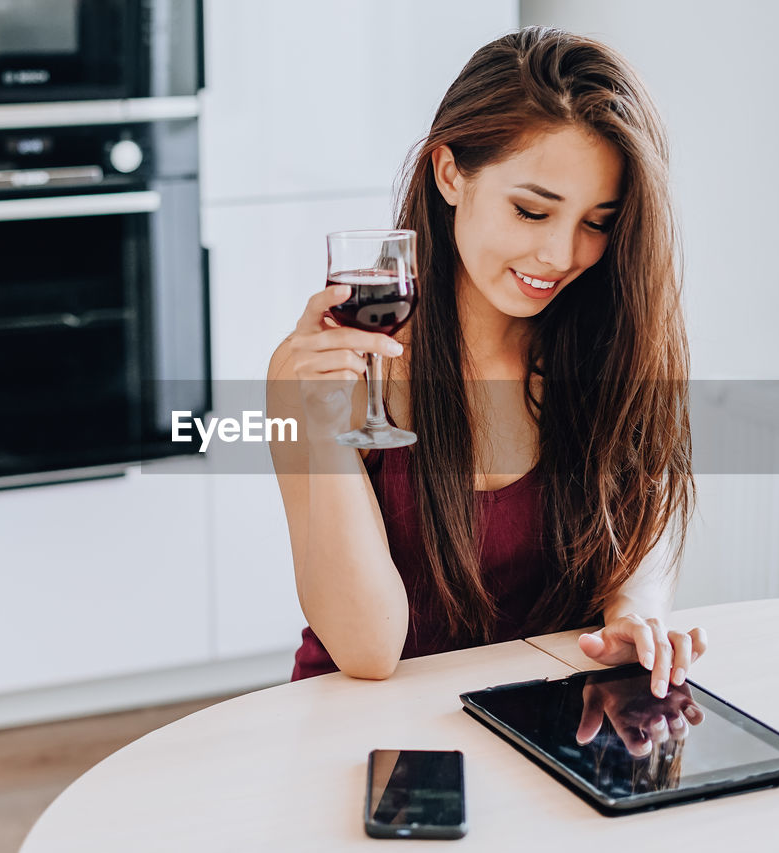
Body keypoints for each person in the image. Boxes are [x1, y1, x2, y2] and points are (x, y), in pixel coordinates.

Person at [266, 26, 705, 705]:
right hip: (364, 728)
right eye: (532, 211)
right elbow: (368, 648)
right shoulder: (337, 369)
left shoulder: (605, 344)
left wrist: (633, 615)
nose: (562, 254)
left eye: (599, 221)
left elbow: (642, 525)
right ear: (449, 173)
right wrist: (316, 425)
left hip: (540, 721)